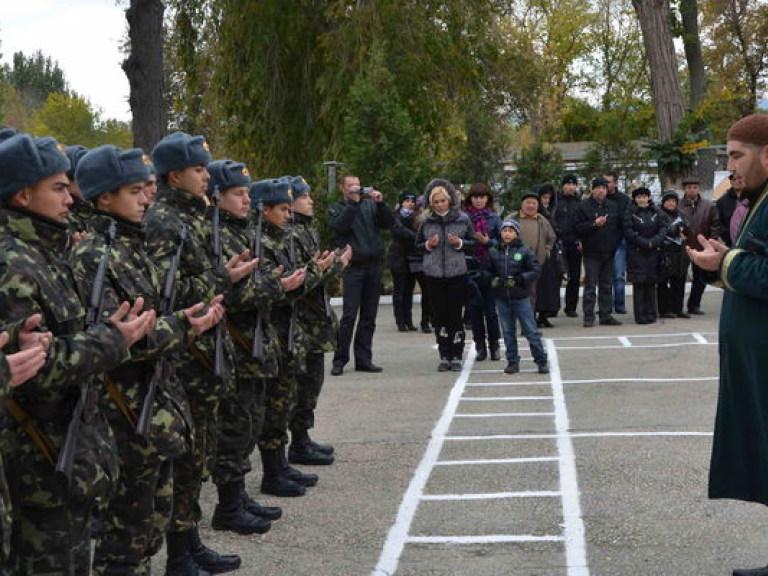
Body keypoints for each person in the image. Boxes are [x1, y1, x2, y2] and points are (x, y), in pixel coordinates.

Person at [0, 132, 155, 575]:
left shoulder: (46, 253)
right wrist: (113, 339)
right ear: (23, 193)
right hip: (39, 459)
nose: (70, 197)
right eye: (57, 187)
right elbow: (34, 368)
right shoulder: (14, 265)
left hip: (67, 453)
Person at [72, 145, 227, 573]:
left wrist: (185, 317)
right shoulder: (95, 257)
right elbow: (121, 339)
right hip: (123, 410)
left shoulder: (128, 246)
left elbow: (156, 312)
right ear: (104, 198)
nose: (146, 198)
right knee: (125, 535)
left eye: (146, 189)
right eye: (135, 190)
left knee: (149, 523)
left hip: (153, 400)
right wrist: (185, 326)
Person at [145, 132, 257, 575]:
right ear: (176, 176)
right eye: (197, 169)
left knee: (199, 456)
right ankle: (178, 555)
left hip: (205, 348)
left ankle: (190, 543)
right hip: (185, 354)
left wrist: (218, 278)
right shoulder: (166, 221)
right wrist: (220, 279)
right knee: (185, 459)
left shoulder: (193, 217)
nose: (206, 175)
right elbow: (164, 291)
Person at [687, 113, 768, 576]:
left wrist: (727, 260)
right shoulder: (756, 200)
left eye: (737, 155)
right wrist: (719, 265)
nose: (730, 167)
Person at [251, 177, 324, 498]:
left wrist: (321, 270)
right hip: (272, 332)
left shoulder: (281, 238)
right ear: (264, 210)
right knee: (273, 404)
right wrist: (317, 272)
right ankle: (272, 469)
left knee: (287, 398)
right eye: (283, 208)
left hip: (287, 330)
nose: (289, 213)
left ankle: (279, 464)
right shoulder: (261, 241)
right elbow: (285, 286)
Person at [288, 176, 351, 467]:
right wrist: (337, 264)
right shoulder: (291, 233)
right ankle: (298, 442)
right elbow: (303, 279)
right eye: (304, 196)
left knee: (312, 383)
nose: (310, 200)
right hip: (302, 323)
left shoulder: (304, 229)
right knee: (302, 385)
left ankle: (303, 439)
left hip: (314, 322)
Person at [328, 175, 394, 375]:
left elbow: (388, 223)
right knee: (349, 315)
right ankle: (340, 360)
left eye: (358, 185)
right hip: (353, 268)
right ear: (343, 188)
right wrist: (352, 204)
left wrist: (381, 204)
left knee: (369, 316)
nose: (355, 189)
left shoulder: (370, 206)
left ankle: (364, 359)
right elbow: (339, 226)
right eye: (351, 186)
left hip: (373, 266)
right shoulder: (337, 208)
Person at [415, 179, 475, 371]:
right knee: (439, 316)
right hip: (433, 274)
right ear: (431, 203)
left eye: (443, 201)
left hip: (456, 273)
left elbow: (473, 243)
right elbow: (417, 246)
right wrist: (428, 245)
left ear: (449, 201)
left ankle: (457, 354)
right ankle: (444, 354)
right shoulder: (426, 221)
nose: (440, 204)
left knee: (455, 315)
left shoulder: (462, 219)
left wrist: (459, 243)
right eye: (436, 202)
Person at [487, 220, 548, 375]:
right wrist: (492, 279)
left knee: (531, 330)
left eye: (510, 230)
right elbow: (486, 271)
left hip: (520, 297)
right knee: (508, 331)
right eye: (504, 230)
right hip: (502, 297)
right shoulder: (494, 251)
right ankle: (512, 361)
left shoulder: (525, 250)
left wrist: (520, 279)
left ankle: (541, 360)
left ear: (516, 233)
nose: (507, 233)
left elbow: (535, 269)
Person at [573, 177, 623, 327]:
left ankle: (605, 315)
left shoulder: (613, 206)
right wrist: (594, 224)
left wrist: (614, 246)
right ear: (592, 189)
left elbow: (619, 229)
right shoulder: (583, 206)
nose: (601, 190)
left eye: (604, 187)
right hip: (591, 253)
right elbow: (577, 228)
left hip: (609, 252)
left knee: (607, 286)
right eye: (598, 187)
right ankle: (588, 317)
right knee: (590, 286)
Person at [463, 183, 502, 361]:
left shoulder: (494, 218)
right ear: (470, 198)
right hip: (470, 266)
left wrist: (487, 242)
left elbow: (502, 242)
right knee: (474, 309)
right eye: (475, 197)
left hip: (490, 267)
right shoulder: (463, 218)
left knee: (491, 311)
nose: (479, 200)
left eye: (482, 197)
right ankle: (480, 345)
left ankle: (494, 344)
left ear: (488, 199)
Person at [623, 186, 667, 324]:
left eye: (644, 196)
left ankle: (651, 313)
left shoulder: (657, 212)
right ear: (635, 199)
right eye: (638, 197)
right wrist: (643, 242)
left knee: (651, 283)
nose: (642, 199)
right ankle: (640, 315)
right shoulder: (629, 212)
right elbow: (628, 231)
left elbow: (663, 228)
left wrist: (653, 242)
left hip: (653, 253)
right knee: (639, 284)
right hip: (637, 253)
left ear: (649, 198)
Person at [509, 190, 556, 318]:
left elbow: (551, 238)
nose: (530, 206)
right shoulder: (512, 218)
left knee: (531, 292)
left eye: (534, 203)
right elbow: (502, 235)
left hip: (533, 263)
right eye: (527, 203)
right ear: (522, 204)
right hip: (513, 263)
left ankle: (529, 321)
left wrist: (546, 250)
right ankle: (513, 319)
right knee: (512, 292)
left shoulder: (542, 220)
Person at [678, 176, 719, 315]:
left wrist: (711, 242)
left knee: (700, 278)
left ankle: (694, 305)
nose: (692, 190)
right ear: (685, 189)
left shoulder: (709, 205)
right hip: (683, 247)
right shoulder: (678, 205)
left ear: (699, 189)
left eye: (695, 187)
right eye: (689, 187)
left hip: (701, 248)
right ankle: (677, 306)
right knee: (679, 277)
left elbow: (715, 224)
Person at [389, 190, 420, 332]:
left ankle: (409, 320)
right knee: (399, 290)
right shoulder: (395, 217)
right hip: (398, 257)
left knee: (409, 291)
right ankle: (400, 321)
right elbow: (399, 231)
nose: (410, 203)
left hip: (412, 258)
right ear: (401, 203)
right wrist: (416, 236)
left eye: (412, 201)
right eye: (407, 201)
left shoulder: (417, 217)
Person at [657, 191, 691, 319]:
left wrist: (685, 230)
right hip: (665, 252)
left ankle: (678, 309)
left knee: (679, 282)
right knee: (664, 284)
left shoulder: (681, 214)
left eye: (673, 201)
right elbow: (663, 229)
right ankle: (664, 310)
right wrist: (676, 229)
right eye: (668, 201)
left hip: (679, 253)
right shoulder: (659, 214)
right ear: (663, 202)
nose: (671, 203)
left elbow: (687, 227)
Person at [534, 183, 563, 327]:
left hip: (550, 254)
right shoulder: (534, 214)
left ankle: (544, 315)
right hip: (534, 254)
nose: (546, 201)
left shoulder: (552, 213)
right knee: (535, 287)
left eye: (548, 198)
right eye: (543, 198)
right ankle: (532, 316)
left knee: (549, 286)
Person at [553, 173, 582, 317]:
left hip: (575, 244)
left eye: (573, 184)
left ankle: (571, 307)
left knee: (574, 277)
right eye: (568, 184)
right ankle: (552, 307)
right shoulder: (556, 201)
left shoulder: (579, 202)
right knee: (556, 275)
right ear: (562, 185)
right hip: (559, 243)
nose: (571, 187)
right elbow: (553, 220)